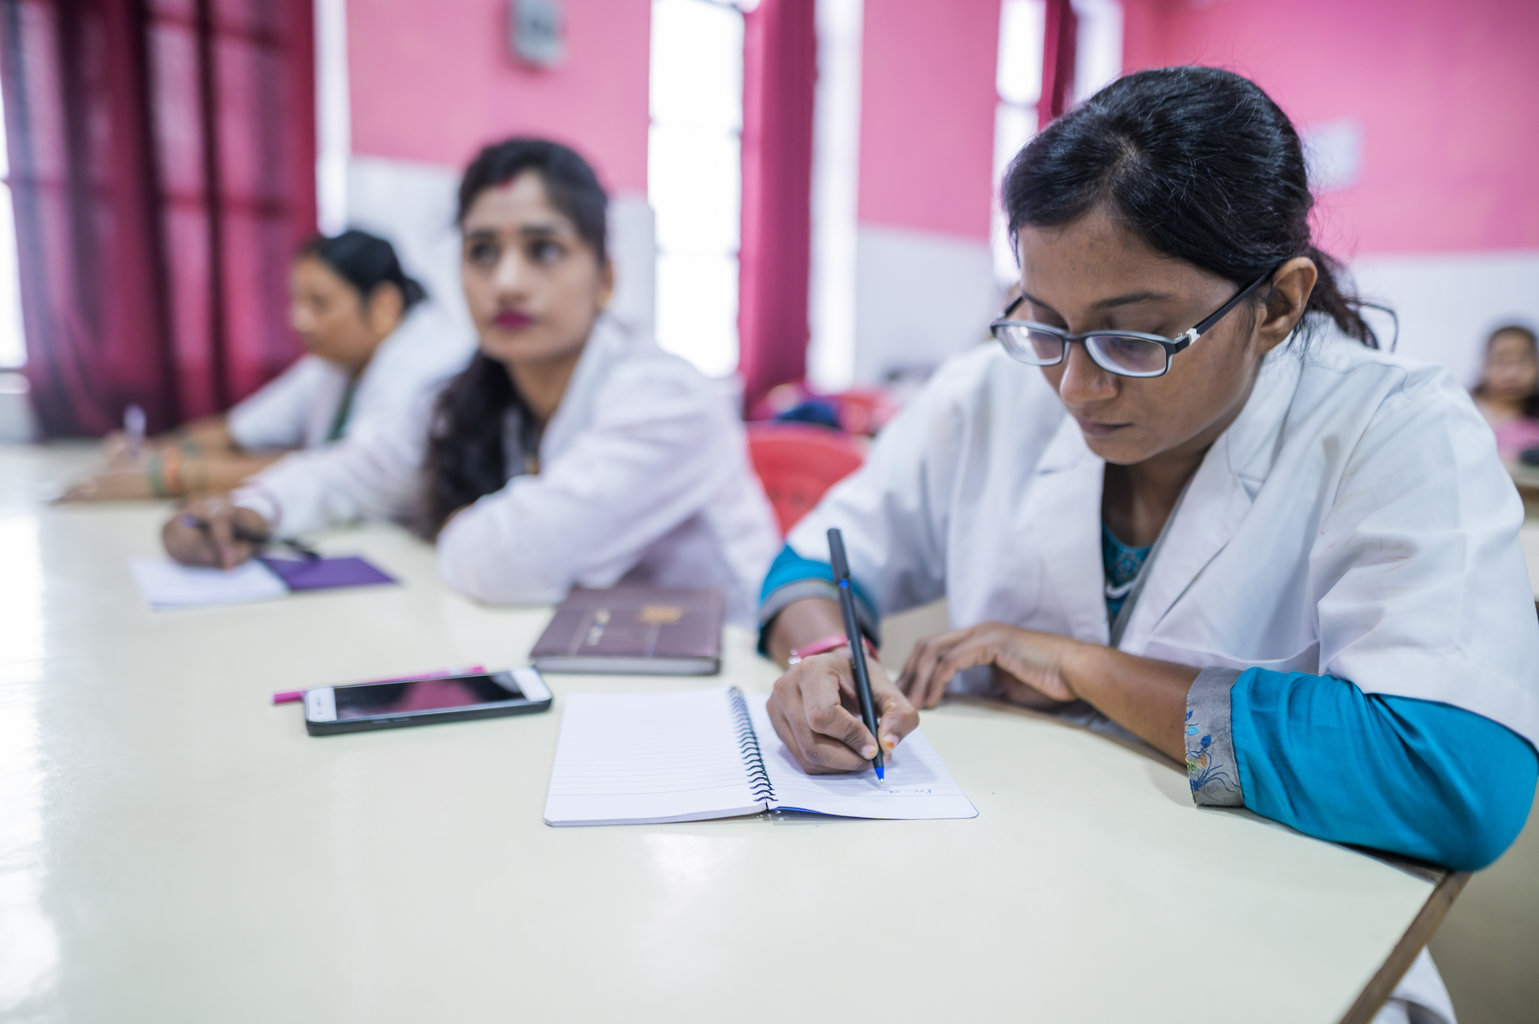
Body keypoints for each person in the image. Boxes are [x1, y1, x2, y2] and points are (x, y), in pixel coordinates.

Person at [760, 67, 1537, 1024]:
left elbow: (1454, 779)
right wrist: (825, 654)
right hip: (1001, 900)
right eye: (1046, 324)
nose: (1076, 388)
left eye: (1133, 339)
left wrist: (1085, 669)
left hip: (1267, 946)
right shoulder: (990, 391)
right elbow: (812, 564)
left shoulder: (1393, 429)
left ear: (1277, 304)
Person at [160, 138, 780, 625]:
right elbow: (354, 471)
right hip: (574, 656)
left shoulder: (667, 399)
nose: (506, 282)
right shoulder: (474, 391)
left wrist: (446, 522)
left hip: (727, 684)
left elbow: (513, 561)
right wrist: (251, 510)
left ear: (606, 279)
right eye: (482, 252)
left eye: (543, 249)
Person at [62, 230, 469, 500]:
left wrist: (166, 475)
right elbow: (238, 430)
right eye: (297, 301)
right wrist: (152, 451)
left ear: (383, 306)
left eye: (319, 304)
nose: (298, 320)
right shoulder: (336, 362)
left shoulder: (421, 366)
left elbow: (349, 473)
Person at [1470, 323, 1539, 461]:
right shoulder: (1463, 408)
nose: (1511, 374)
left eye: (1523, 362)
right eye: (1500, 361)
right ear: (1484, 365)